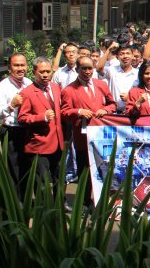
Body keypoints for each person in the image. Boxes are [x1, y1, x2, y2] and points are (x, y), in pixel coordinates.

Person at [61, 56, 116, 206]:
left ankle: (103, 199)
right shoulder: (69, 90)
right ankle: (85, 202)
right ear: (77, 69)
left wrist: (104, 110)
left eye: (90, 68)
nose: (87, 71)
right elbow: (64, 113)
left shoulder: (101, 85)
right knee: (84, 171)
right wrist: (78, 111)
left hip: (101, 136)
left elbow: (113, 104)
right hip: (82, 138)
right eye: (83, 68)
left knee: (103, 169)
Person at [17, 57, 65, 200]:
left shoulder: (55, 88)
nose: (45, 75)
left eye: (48, 72)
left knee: (60, 180)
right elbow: (22, 118)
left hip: (58, 143)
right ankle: (43, 212)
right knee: (42, 183)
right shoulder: (27, 93)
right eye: (41, 72)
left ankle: (59, 209)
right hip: (39, 144)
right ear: (34, 72)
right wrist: (41, 117)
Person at [0, 53, 32, 196]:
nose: (20, 68)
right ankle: (15, 204)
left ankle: (27, 201)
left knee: (28, 167)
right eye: (16, 65)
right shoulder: (2, 87)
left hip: (28, 131)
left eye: (22, 65)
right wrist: (11, 105)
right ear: (9, 67)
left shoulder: (29, 83)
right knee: (14, 170)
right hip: (12, 131)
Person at [97, 42, 138, 113]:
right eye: (122, 54)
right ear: (117, 57)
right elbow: (99, 68)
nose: (125, 56)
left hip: (132, 113)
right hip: (115, 113)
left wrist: (130, 98)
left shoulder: (138, 73)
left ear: (132, 55)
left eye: (128, 53)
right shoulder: (112, 70)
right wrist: (109, 49)